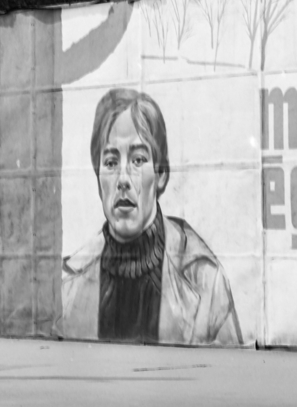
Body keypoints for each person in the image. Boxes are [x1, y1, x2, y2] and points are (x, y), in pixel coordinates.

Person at [59, 87, 242, 345]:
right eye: (111, 162)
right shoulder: (67, 284)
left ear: (161, 174)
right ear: (97, 175)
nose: (123, 179)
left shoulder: (203, 280)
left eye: (138, 159)